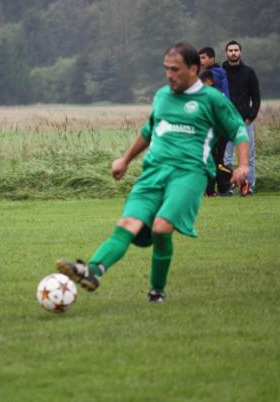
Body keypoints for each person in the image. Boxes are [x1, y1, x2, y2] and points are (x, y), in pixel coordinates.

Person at [56, 43, 250, 302]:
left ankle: (157, 291)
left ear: (194, 69)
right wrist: (125, 159)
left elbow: (238, 130)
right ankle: (93, 271)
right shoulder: (162, 96)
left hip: (189, 173)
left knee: (161, 227)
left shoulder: (212, 99)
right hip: (153, 172)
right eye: (166, 69)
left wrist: (243, 165)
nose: (169, 75)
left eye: (175, 69)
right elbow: (149, 131)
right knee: (127, 224)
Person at [222, 40, 260, 193]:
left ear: (240, 52)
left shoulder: (249, 72)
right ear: (226, 53)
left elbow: (256, 97)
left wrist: (251, 116)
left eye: (236, 50)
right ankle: (228, 186)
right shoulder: (221, 72)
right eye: (230, 50)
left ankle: (249, 185)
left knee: (249, 155)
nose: (233, 53)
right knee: (226, 157)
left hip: (245, 121)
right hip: (226, 121)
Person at [199, 47, 232, 196]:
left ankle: (230, 182)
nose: (201, 61)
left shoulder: (213, 75)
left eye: (203, 57)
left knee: (214, 159)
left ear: (212, 59)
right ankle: (220, 189)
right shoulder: (220, 73)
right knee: (214, 158)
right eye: (199, 58)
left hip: (217, 125)